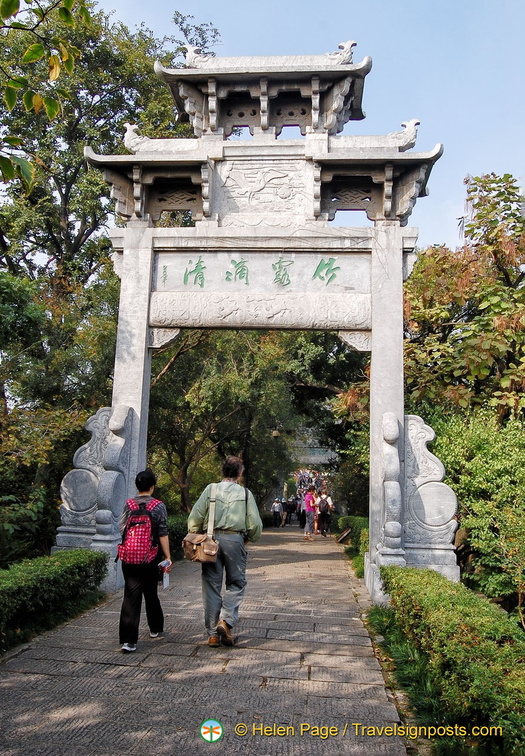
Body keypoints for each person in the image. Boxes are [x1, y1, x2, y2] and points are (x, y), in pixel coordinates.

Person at [187, 456, 263, 647]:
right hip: (235, 539)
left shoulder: (210, 489)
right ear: (239, 473)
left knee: (211, 586)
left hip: (210, 541)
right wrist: (247, 539)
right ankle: (226, 621)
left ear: (223, 471)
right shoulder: (245, 493)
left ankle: (213, 634)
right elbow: (255, 525)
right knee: (236, 582)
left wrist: (197, 535)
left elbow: (194, 517)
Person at [118, 469, 172, 653]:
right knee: (150, 592)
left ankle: (128, 641)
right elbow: (163, 532)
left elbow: (121, 528)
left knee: (131, 596)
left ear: (137, 486)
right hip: (150, 556)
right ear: (152, 486)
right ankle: (155, 628)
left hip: (129, 557)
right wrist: (168, 557)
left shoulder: (129, 504)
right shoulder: (158, 506)